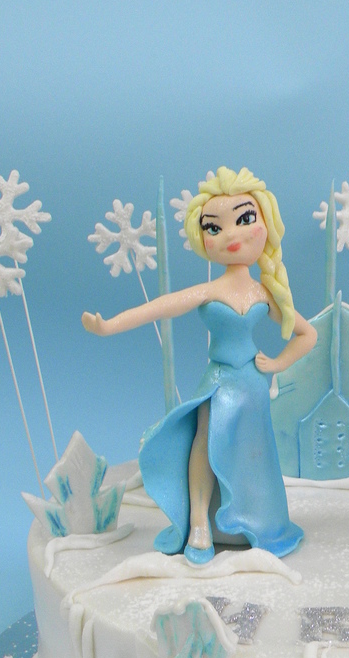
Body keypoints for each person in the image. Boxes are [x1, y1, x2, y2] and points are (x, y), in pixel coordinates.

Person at [82, 166, 317, 563]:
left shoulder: (265, 293)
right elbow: (159, 308)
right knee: (204, 442)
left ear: (266, 222)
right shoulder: (209, 290)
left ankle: (252, 518)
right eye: (214, 227)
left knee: (251, 454)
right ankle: (199, 523)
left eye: (245, 219)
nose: (231, 235)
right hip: (219, 380)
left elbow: (307, 335)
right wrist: (109, 326)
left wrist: (278, 364)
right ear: (202, 237)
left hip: (253, 385)